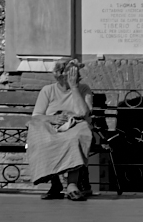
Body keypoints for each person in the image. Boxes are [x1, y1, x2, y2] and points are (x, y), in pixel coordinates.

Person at [26, 57, 94, 200]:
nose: (78, 77)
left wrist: (74, 88)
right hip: (53, 126)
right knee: (44, 138)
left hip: (75, 125)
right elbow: (36, 116)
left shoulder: (84, 89)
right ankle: (55, 183)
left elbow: (83, 113)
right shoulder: (48, 90)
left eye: (77, 73)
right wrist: (52, 119)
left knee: (74, 138)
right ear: (61, 75)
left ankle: (72, 185)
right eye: (73, 74)